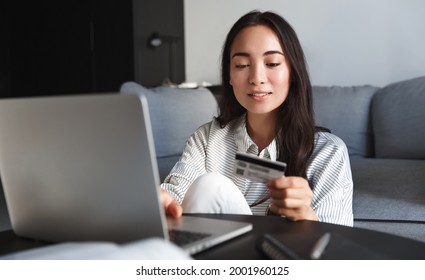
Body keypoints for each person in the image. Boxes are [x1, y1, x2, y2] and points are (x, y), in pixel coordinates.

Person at [160, 10, 353, 226]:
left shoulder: (329, 152)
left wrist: (306, 216)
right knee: (208, 187)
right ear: (230, 76)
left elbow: (337, 248)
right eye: (242, 65)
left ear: (293, 73)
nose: (257, 78)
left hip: (287, 258)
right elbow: (175, 192)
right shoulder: (206, 139)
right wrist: (162, 201)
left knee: (210, 186)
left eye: (271, 64)